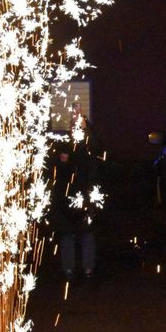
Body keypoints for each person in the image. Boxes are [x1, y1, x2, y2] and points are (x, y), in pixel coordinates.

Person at [48, 110, 102, 280]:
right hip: (67, 195)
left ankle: (86, 268)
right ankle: (70, 268)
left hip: (86, 192)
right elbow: (58, 166)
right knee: (69, 233)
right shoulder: (64, 142)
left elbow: (96, 149)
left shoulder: (90, 140)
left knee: (86, 232)